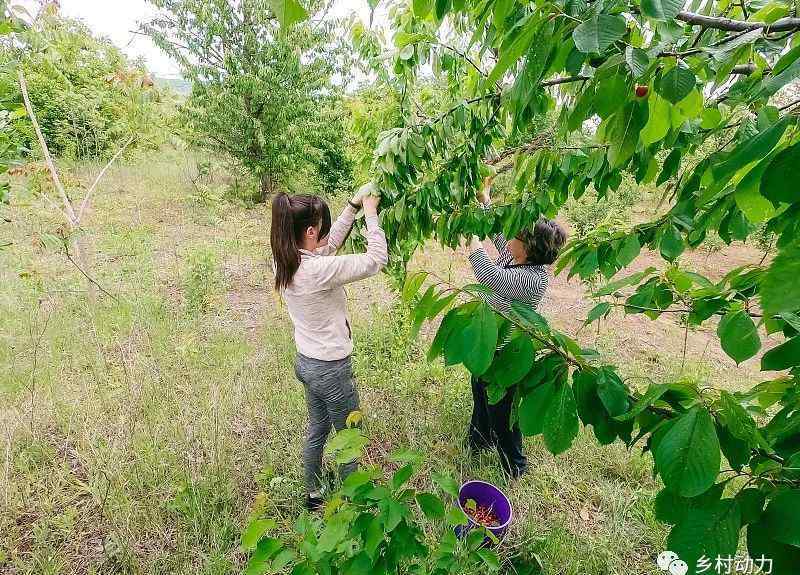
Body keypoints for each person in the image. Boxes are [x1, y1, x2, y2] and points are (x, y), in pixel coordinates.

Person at [271, 184, 387, 510]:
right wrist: (372, 213)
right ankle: (356, 502)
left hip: (307, 363)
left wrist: (353, 206)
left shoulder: (285, 259)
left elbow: (329, 245)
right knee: (351, 434)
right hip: (331, 370)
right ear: (309, 231)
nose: (323, 234)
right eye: (319, 228)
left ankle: (313, 493)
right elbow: (376, 259)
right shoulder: (317, 271)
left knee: (318, 428)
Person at [463, 177, 567, 478]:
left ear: (528, 247)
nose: (510, 236)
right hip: (488, 346)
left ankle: (514, 465)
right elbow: (497, 233)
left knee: (503, 411)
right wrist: (485, 202)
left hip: (506, 355)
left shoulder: (533, 279)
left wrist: (470, 234)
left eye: (517, 234)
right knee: (480, 392)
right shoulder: (519, 258)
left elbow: (487, 273)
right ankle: (479, 440)